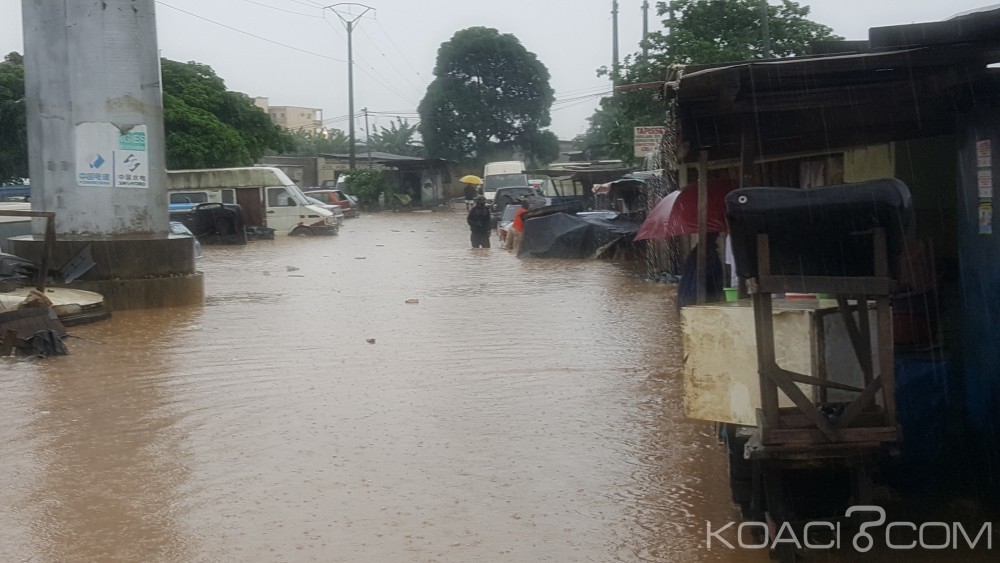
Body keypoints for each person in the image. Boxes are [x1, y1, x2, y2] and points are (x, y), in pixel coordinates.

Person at [676, 232, 725, 310]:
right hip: (699, 302)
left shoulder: (694, 254)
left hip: (686, 301)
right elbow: (710, 281)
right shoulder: (709, 255)